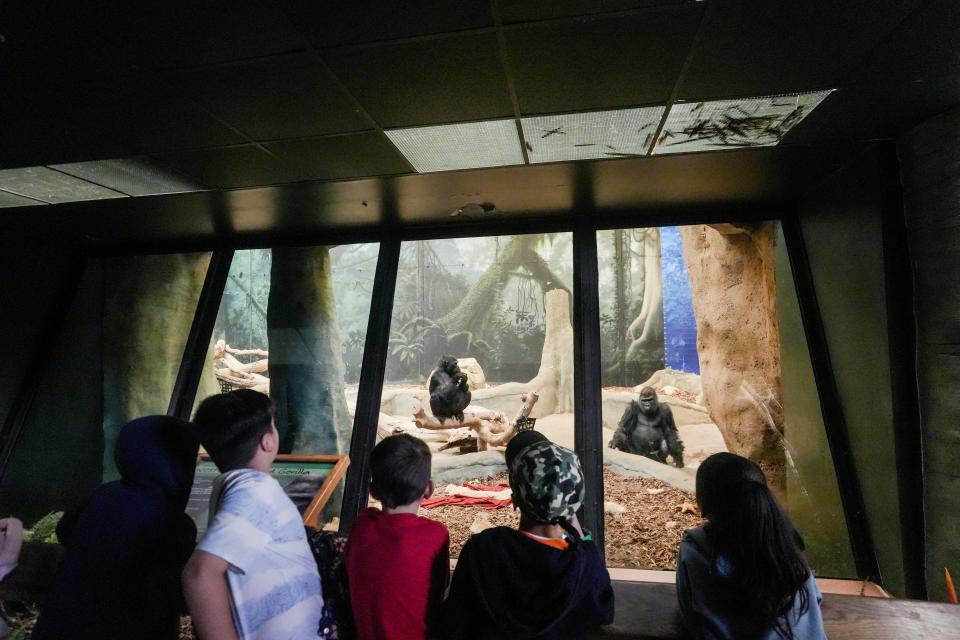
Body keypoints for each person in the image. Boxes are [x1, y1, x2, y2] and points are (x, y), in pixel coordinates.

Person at [32, 416, 199, 640]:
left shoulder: (104, 495)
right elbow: (182, 596)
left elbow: (64, 531)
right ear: (178, 460)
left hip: (60, 628)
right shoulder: (172, 522)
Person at [442, 431, 614, 640]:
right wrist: (582, 538)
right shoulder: (585, 563)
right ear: (577, 502)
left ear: (514, 500)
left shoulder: (484, 549)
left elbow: (453, 619)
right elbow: (603, 613)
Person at [183, 390, 324, 640]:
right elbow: (199, 573)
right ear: (267, 441)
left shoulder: (233, 486)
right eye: (274, 425)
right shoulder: (255, 490)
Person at [677, 452, 827, 639]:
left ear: (702, 504)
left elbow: (692, 617)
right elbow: (814, 601)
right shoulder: (785, 542)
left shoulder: (696, 548)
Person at [345, 433, 449, 640]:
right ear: (429, 489)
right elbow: (439, 595)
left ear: (373, 491)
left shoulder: (361, 525)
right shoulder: (436, 534)